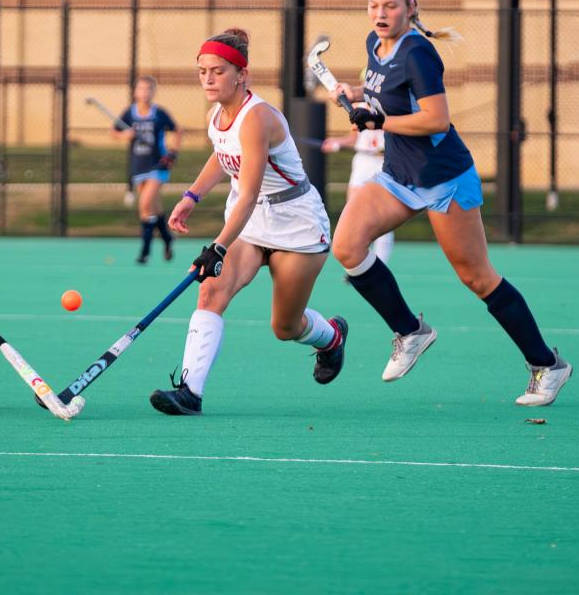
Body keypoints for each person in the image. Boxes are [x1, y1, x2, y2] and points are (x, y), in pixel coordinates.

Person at [328, 0, 572, 407]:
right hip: (399, 174)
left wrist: (379, 120)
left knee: (476, 277)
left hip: (444, 177)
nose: (380, 14)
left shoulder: (419, 53)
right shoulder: (374, 44)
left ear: (410, 8)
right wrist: (358, 93)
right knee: (346, 246)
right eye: (374, 5)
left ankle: (547, 365)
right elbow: (387, 93)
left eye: (391, 6)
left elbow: (436, 119)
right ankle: (410, 331)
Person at [148, 28, 347, 416]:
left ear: (242, 74)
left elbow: (251, 189)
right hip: (252, 223)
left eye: (218, 71)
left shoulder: (257, 119)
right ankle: (190, 391)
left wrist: (217, 247)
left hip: (297, 225)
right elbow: (223, 155)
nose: (208, 78)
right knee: (210, 292)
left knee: (285, 327)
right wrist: (191, 196)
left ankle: (332, 337)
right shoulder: (217, 114)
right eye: (202, 71)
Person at [113, 75, 183, 264]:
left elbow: (177, 130)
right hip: (139, 165)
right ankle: (167, 239)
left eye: (148, 89)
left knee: (144, 205)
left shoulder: (159, 113)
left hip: (157, 164)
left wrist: (173, 153)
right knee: (153, 208)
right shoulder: (130, 113)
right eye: (141, 89)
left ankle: (144, 252)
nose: (144, 93)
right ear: (135, 92)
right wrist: (125, 136)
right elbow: (115, 132)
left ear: (153, 92)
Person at [321, 125, 394, 267]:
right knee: (353, 212)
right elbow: (354, 137)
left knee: (383, 216)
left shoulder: (390, 104)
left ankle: (380, 265)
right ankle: (359, 264)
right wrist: (337, 143)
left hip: (384, 162)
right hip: (363, 161)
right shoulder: (358, 107)